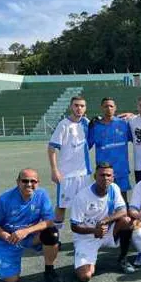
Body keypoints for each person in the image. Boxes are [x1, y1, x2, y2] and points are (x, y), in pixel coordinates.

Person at [0, 169, 61, 282]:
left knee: (52, 234)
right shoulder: (3, 200)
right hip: (9, 240)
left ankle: (49, 270)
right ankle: (4, 261)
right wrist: (6, 236)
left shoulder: (42, 195)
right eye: (25, 181)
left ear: (38, 183)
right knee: (10, 280)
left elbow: (49, 221)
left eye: (33, 181)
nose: (29, 184)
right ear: (18, 182)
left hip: (30, 237)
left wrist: (26, 231)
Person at [71, 163, 135, 282]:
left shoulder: (114, 188)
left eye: (108, 175)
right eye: (102, 175)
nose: (105, 178)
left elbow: (123, 211)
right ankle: (80, 255)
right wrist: (94, 230)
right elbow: (74, 226)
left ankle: (123, 259)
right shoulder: (82, 196)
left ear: (112, 177)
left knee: (127, 221)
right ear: (95, 176)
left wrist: (105, 221)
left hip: (106, 231)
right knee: (85, 276)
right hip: (87, 237)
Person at [48, 96, 91, 231]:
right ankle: (57, 236)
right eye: (76, 105)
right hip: (66, 174)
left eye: (82, 106)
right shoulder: (64, 124)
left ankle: (83, 235)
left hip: (84, 173)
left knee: (84, 204)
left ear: (85, 108)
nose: (79, 108)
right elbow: (51, 148)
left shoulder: (86, 123)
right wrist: (55, 170)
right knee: (62, 206)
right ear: (71, 107)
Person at [88, 97, 132, 202]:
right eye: (106, 106)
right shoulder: (95, 126)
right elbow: (86, 146)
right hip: (104, 171)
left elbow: (135, 139)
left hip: (121, 169)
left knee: (122, 200)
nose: (109, 108)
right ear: (102, 108)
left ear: (115, 108)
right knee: (104, 200)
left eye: (111, 106)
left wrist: (131, 115)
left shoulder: (123, 124)